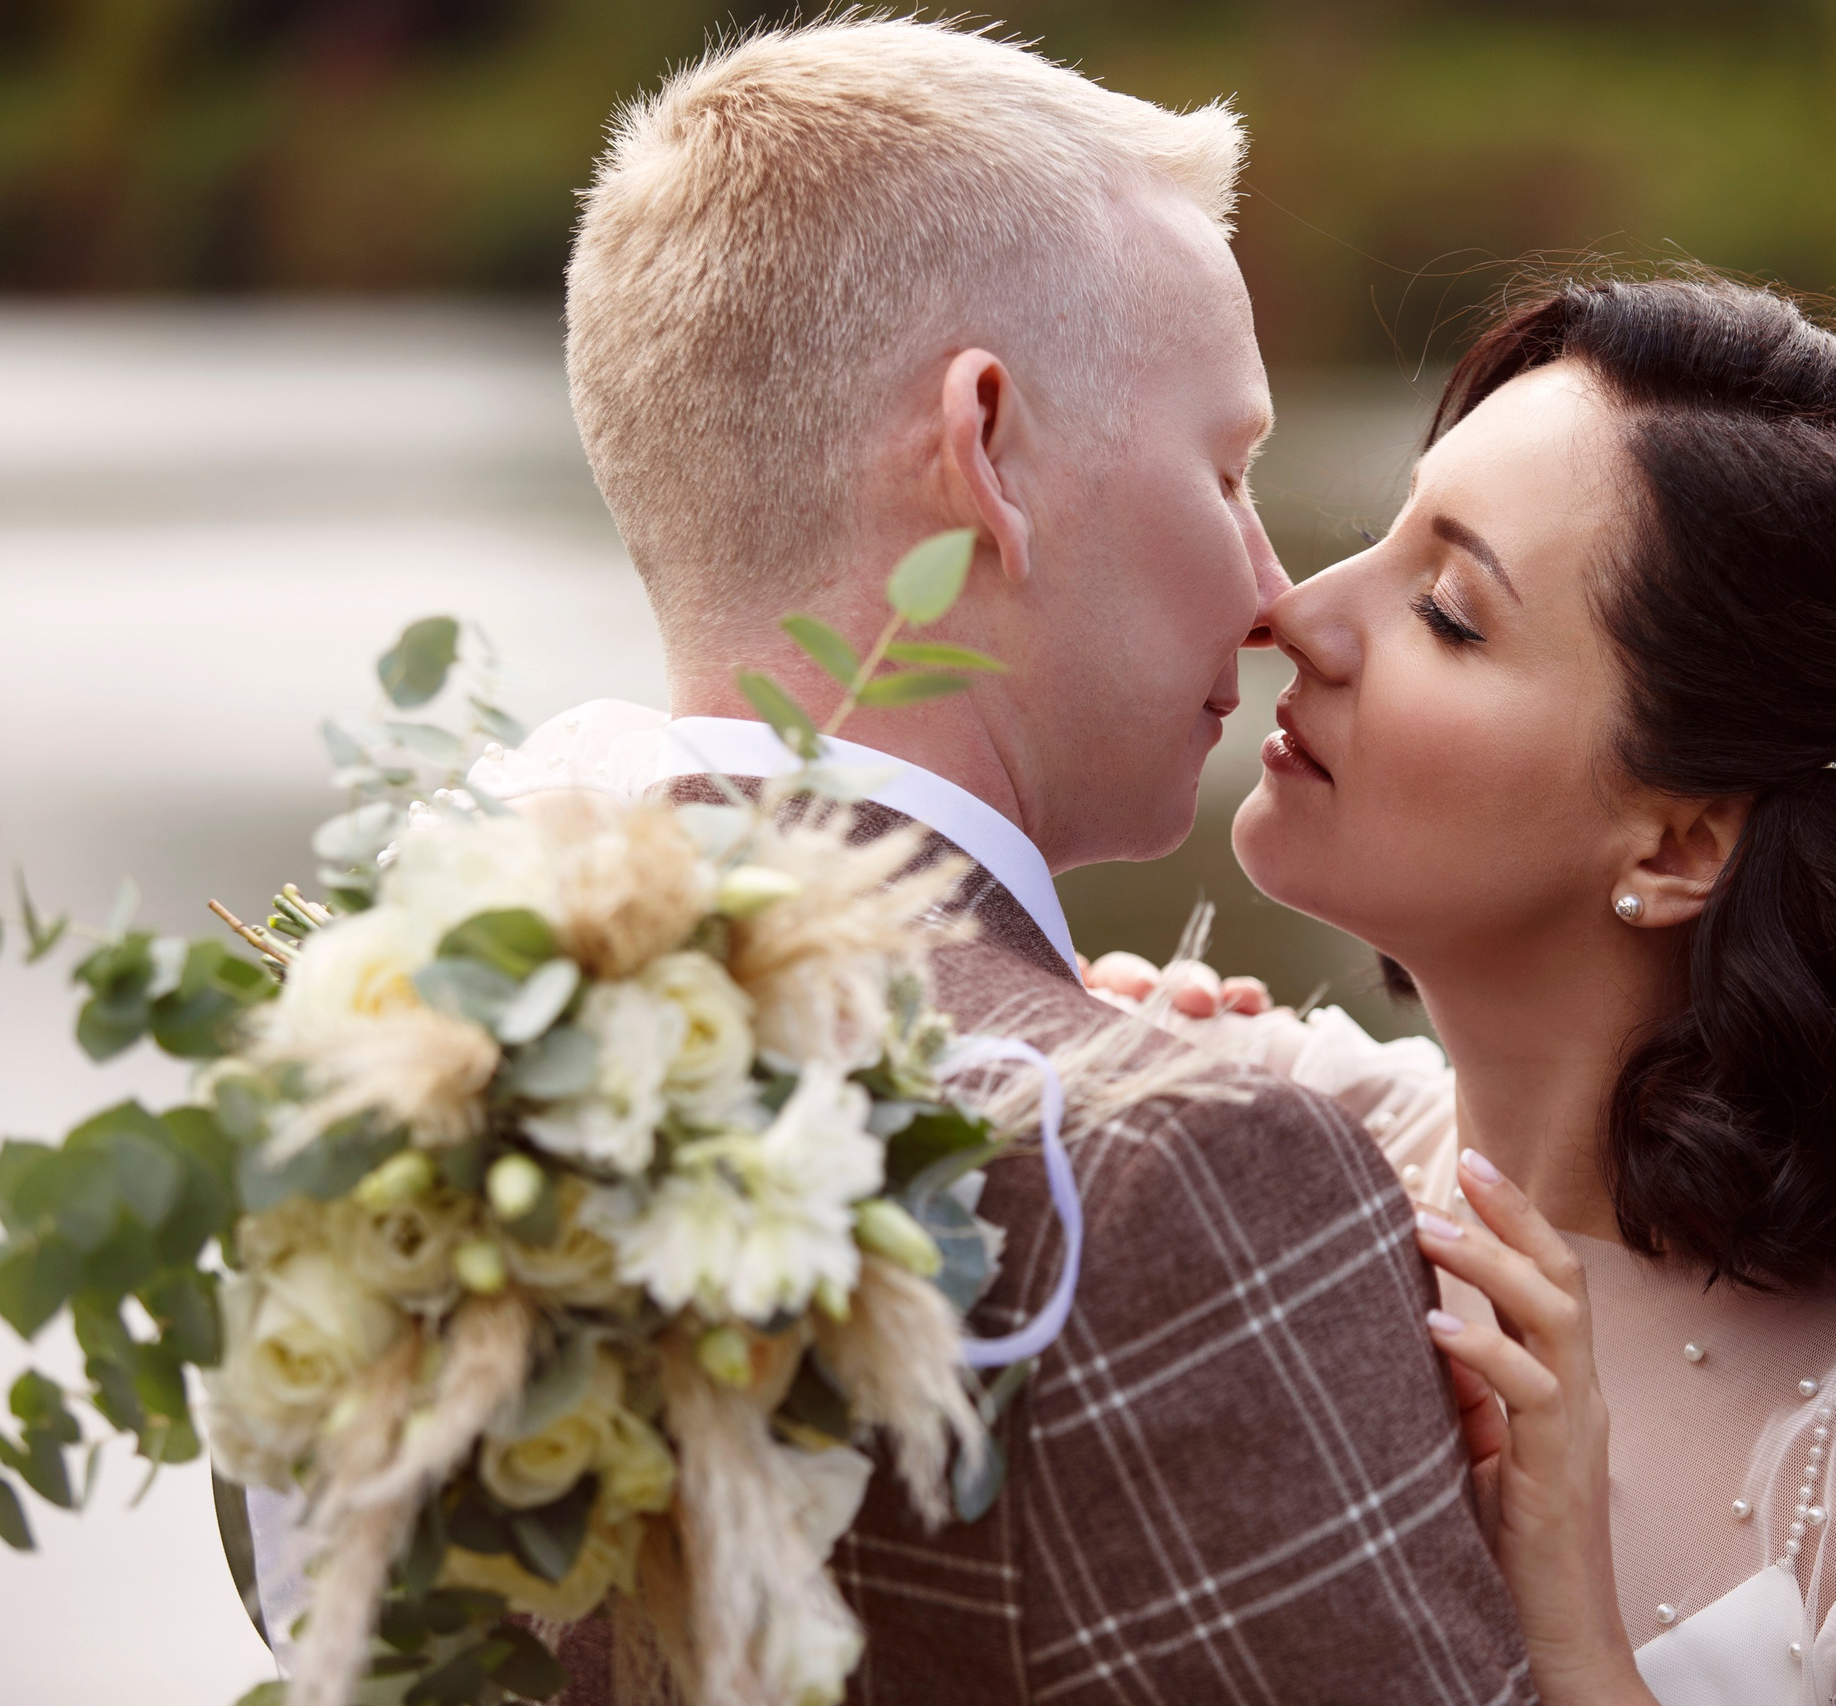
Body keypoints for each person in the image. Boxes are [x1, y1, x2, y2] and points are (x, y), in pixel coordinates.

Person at [423, 18, 1534, 1705]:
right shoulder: (1180, 1170)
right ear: (989, 447)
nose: (1268, 587)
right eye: (1226, 469)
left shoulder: (411, 1047)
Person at [1099, 274, 1836, 1705]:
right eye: (1381, 540)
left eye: (1447, 612)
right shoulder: (1274, 1146)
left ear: (1683, 841)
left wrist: (1576, 1638)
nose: (1296, 613)